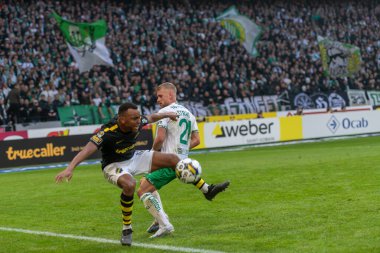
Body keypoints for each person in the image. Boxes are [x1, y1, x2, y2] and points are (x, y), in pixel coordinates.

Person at [55, 102, 180, 246]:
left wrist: (167, 114)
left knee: (173, 159)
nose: (139, 121)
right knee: (130, 184)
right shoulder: (108, 131)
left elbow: (152, 117)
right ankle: (127, 229)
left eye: (139, 117)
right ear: (122, 120)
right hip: (113, 166)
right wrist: (70, 168)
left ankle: (204, 188)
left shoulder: (138, 121)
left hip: (133, 157)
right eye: (134, 118)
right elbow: (87, 149)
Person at [137, 82, 230, 238]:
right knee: (144, 183)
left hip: (167, 160)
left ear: (171, 95)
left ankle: (164, 223)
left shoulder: (165, 111)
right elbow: (196, 140)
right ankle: (206, 190)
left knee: (142, 191)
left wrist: (152, 154)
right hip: (181, 160)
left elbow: (159, 138)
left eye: (160, 96)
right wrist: (182, 150)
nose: (158, 100)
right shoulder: (189, 113)